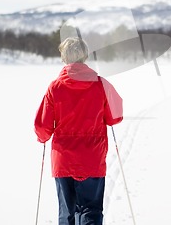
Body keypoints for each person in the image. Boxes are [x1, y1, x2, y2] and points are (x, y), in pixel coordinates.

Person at [34, 37, 123, 225]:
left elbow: (43, 126)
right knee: (90, 211)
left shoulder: (55, 87)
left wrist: (42, 138)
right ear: (85, 55)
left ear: (64, 57)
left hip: (63, 160)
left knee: (67, 213)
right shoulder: (101, 84)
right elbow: (115, 116)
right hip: (92, 158)